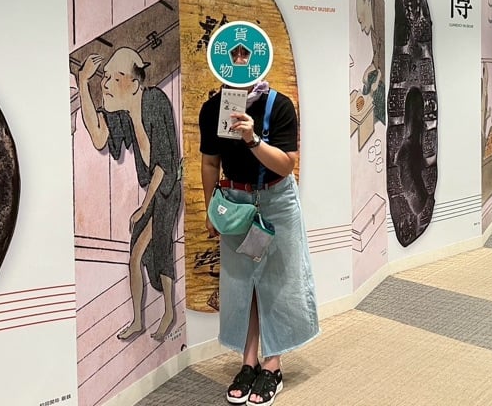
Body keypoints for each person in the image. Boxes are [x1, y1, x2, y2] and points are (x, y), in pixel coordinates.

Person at [199, 57, 319, 405]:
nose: (239, 62)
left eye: (246, 55)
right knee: (242, 284)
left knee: (277, 281)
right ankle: (248, 361)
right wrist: (210, 209)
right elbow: (210, 162)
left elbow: (286, 163)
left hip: (276, 200)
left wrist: (252, 139)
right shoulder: (213, 108)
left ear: (259, 61)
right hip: (235, 203)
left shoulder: (278, 105)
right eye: (233, 55)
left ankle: (273, 365)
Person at [78, 47, 181, 341]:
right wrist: (83, 84)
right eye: (105, 77)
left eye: (115, 77)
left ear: (135, 84)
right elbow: (99, 136)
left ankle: (169, 312)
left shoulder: (155, 101)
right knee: (136, 256)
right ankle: (138, 320)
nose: (105, 83)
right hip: (154, 190)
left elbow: (164, 165)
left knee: (160, 247)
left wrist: (143, 207)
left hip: (168, 188)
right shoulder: (123, 115)